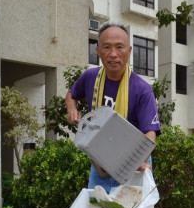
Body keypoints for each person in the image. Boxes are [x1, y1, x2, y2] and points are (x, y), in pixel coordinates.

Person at [66, 22, 161, 191]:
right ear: (98, 51)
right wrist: (72, 109)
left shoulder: (142, 89)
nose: (113, 54)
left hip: (135, 162)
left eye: (119, 47)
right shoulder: (90, 77)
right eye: (107, 47)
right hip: (100, 162)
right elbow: (71, 94)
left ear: (129, 51)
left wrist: (136, 161)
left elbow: (150, 133)